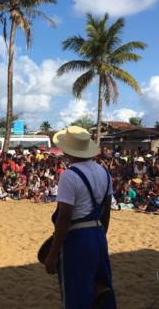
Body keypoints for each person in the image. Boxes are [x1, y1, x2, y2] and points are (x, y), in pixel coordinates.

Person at [44, 126, 116, 308]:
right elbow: (106, 212)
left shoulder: (69, 175)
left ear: (68, 150)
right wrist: (100, 236)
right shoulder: (104, 172)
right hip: (99, 234)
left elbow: (64, 218)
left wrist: (53, 254)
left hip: (78, 238)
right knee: (102, 289)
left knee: (77, 293)